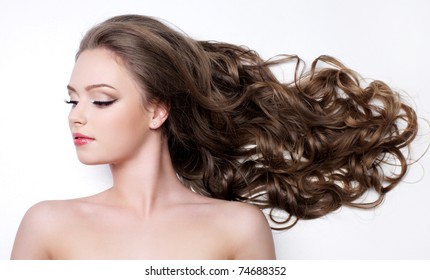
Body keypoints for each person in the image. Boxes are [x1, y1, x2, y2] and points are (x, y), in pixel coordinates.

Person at [11, 14, 418, 259]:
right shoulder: (47, 225)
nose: (76, 118)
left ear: (157, 110)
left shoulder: (238, 228)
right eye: (72, 102)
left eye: (100, 101)